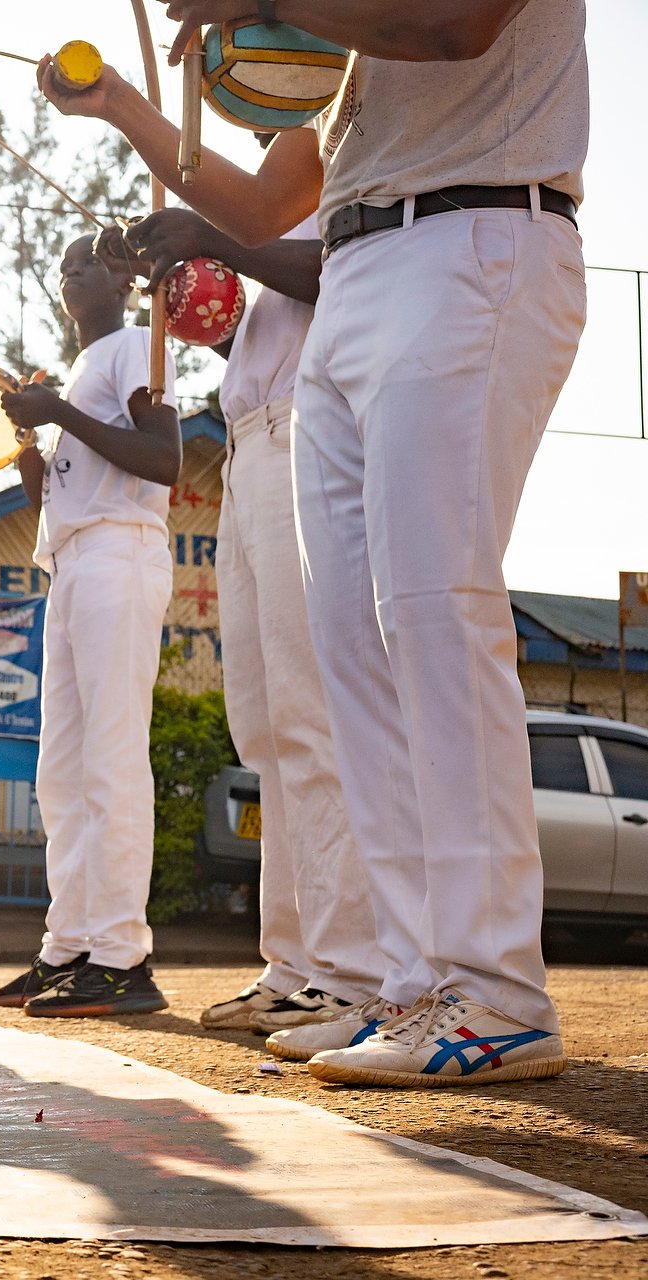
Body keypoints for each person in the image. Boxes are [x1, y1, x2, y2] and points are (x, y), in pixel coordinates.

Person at [94, 0, 584, 1085]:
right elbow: (273, 200)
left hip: (475, 235)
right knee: (354, 652)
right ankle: (414, 981)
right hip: (363, 264)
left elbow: (456, 27)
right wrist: (123, 104)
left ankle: (497, 988)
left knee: (431, 615)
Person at [43, 92, 384, 1033]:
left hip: (309, 431)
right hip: (247, 438)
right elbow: (256, 326)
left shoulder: (336, 152)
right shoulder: (268, 187)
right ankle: (296, 960)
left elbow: (338, 272)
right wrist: (179, 278)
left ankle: (351, 969)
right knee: (267, 728)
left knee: (311, 715)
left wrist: (220, 240)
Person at [0, 236, 181, 1018]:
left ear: (126, 280)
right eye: (63, 264)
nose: (72, 271)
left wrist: (61, 411)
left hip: (119, 555)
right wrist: (27, 447)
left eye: (88, 262)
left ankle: (122, 958)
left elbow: (164, 458)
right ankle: (67, 946)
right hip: (71, 566)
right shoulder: (76, 372)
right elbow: (57, 498)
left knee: (109, 758)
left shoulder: (135, 344)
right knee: (61, 773)